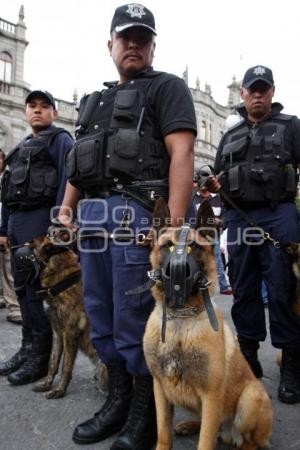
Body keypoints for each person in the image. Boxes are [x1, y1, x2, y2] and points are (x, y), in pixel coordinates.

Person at [59, 4, 196, 449]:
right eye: (125, 37)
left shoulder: (168, 88)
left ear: (153, 45)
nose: (133, 44)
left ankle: (146, 413)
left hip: (139, 215)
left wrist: (173, 229)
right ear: (110, 46)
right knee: (99, 313)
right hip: (94, 219)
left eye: (142, 38)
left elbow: (181, 155)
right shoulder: (92, 101)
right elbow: (80, 165)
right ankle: (117, 402)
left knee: (134, 319)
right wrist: (65, 209)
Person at [208, 65, 300, 404]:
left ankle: (291, 361)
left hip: (280, 215)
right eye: (252, 89)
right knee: (244, 287)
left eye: (264, 88)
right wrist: (212, 186)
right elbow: (217, 177)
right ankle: (248, 354)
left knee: (282, 288)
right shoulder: (229, 135)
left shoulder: (290, 126)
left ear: (272, 92)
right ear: (243, 94)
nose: (257, 94)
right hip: (239, 218)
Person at [0, 90, 73, 385]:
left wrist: (58, 221)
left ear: (54, 113)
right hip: (18, 220)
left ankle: (41, 358)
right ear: (25, 112)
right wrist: (4, 229)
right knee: (21, 289)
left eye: (45, 106)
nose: (38, 111)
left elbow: (69, 180)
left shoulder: (60, 140)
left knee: (36, 291)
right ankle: (27, 348)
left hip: (41, 220)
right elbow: (6, 191)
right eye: (33, 106)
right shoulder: (20, 148)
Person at [194, 168, 232, 295]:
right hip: (197, 236)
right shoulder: (193, 198)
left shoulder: (218, 197)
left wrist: (219, 221)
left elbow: (226, 216)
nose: (204, 184)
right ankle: (197, 287)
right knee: (197, 261)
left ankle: (224, 286)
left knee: (218, 261)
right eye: (202, 180)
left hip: (214, 235)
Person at [0, 149, 22, 324]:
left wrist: (4, 231)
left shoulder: (8, 178)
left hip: (3, 230)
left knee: (8, 270)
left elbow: (8, 206)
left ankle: (14, 307)